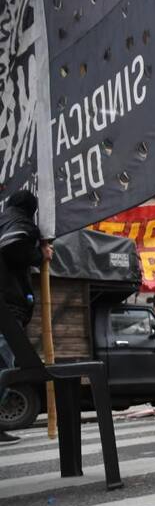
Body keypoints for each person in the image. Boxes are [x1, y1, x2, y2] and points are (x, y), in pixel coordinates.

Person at [0, 191, 54, 446]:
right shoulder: (19, 220)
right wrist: (40, 255)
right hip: (7, 307)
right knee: (3, 366)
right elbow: (13, 246)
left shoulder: (4, 219)